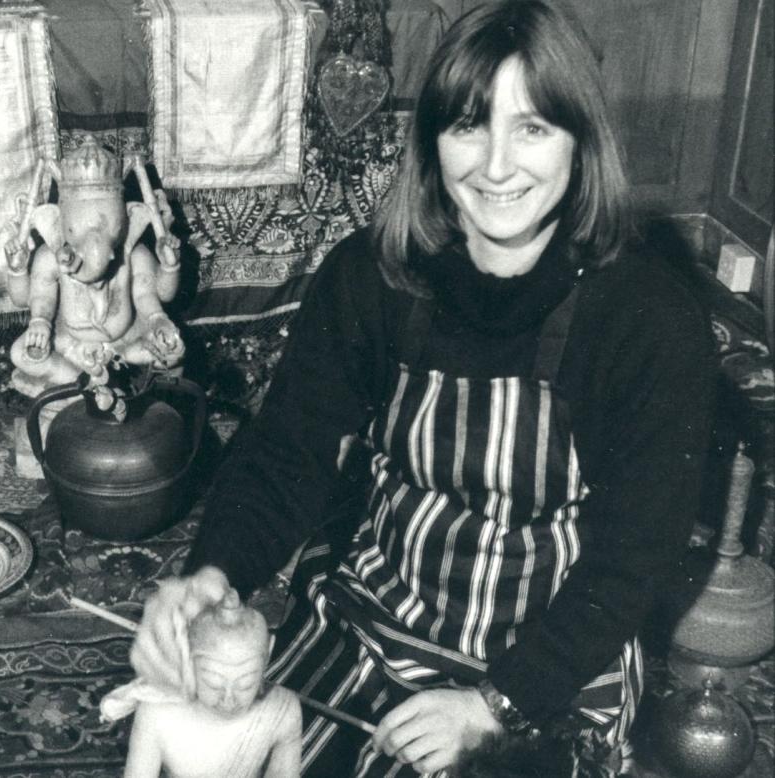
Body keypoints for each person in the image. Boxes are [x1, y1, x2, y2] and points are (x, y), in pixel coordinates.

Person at [130, 1, 716, 775]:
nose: (496, 165)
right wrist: (212, 575)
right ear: (432, 140)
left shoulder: (649, 318)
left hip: (556, 660)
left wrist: (492, 705)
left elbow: (633, 561)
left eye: (533, 128)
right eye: (468, 125)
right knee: (204, 746)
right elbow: (287, 452)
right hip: (379, 622)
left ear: (582, 141)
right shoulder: (371, 276)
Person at [105, 590, 301, 778]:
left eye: (246, 685)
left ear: (268, 654)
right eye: (214, 685)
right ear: (187, 659)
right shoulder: (157, 715)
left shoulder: (283, 709)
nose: (228, 700)